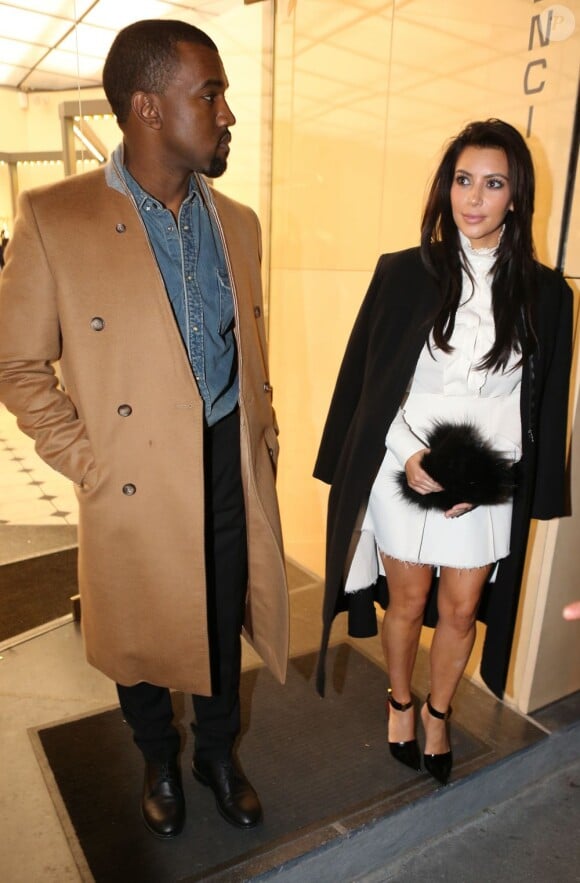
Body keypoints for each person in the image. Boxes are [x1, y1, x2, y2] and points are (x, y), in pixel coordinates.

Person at [0, 19, 289, 837]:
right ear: (148, 108)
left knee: (223, 609)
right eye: (211, 93)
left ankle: (217, 754)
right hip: (129, 472)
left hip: (229, 458)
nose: (226, 112)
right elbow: (16, 365)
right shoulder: (55, 218)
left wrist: (265, 431)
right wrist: (88, 462)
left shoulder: (238, 220)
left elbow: (247, 341)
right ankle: (159, 755)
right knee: (138, 630)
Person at [314, 119, 572, 786]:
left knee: (461, 609)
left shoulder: (548, 293)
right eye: (463, 179)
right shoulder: (403, 273)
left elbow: (535, 409)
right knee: (408, 599)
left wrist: (488, 478)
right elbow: (373, 384)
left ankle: (438, 709)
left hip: (491, 478)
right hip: (405, 464)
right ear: (446, 186)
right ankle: (399, 699)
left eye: (493, 183)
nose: (474, 197)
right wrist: (407, 457)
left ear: (516, 196)